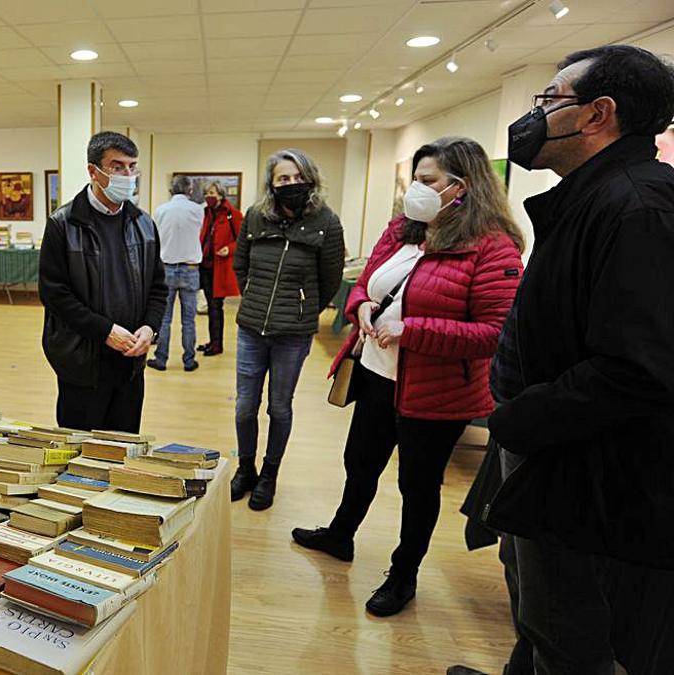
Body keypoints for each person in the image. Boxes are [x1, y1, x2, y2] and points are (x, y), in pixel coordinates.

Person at [473, 45, 674, 674]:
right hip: (559, 457)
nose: (534, 118)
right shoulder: (597, 197)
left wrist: (517, 419)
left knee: (573, 638)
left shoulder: (639, 208)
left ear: (597, 114)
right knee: (541, 613)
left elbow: (637, 368)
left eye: (549, 101)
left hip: (592, 481)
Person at [292, 137, 524, 618]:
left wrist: (411, 329)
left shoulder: (493, 246)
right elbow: (364, 283)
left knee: (417, 488)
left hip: (435, 394)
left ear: (461, 186)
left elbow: (493, 333)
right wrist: (359, 311)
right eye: (415, 180)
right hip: (376, 376)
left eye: (427, 181)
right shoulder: (403, 229)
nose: (415, 190)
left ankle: (404, 575)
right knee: (360, 462)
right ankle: (341, 535)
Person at [231, 150, 344, 511]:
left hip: (292, 334)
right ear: (272, 183)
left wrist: (301, 306)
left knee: (279, 407)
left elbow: (329, 281)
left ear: (309, 178)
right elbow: (240, 264)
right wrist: (254, 296)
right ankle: (245, 468)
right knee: (244, 407)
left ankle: (269, 474)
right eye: (283, 178)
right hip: (251, 327)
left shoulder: (326, 222)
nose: (291, 184)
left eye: (297, 177)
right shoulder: (255, 216)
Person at [38, 131, 167, 433]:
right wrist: (106, 331)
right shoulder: (63, 224)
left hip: (129, 363)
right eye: (117, 166)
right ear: (93, 171)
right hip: (82, 362)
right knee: (81, 452)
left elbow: (158, 288)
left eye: (132, 167)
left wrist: (150, 328)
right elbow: (55, 295)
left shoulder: (143, 224)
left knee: (123, 447)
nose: (127, 175)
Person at [148, 174, 204, 372]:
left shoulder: (161, 210)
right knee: (189, 320)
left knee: (164, 318)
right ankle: (189, 361)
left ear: (171, 190)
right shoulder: (198, 210)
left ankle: (161, 359)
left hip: (166, 269)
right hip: (190, 269)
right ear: (190, 190)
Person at [197, 181, 242, 356]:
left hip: (220, 269)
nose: (210, 195)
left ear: (221, 195)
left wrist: (229, 249)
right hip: (206, 266)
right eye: (207, 192)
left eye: (213, 192)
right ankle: (213, 341)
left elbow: (242, 241)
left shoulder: (233, 215)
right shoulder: (207, 213)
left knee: (216, 307)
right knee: (211, 307)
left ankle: (217, 344)